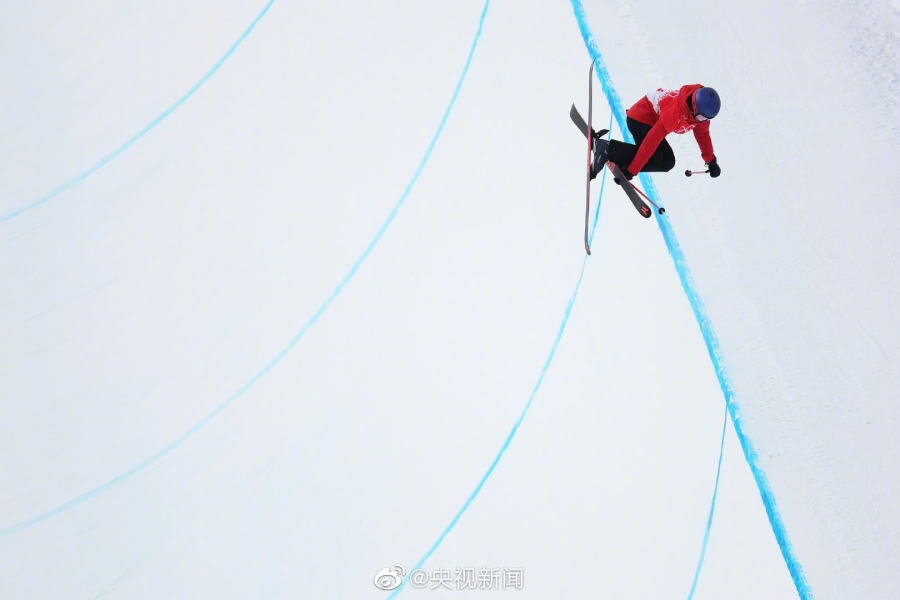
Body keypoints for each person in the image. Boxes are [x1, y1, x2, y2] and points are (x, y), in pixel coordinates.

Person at [591, 85, 721, 181]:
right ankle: (607, 149)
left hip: (651, 123)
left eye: (707, 119)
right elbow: (649, 144)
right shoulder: (675, 114)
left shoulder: (700, 116)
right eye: (702, 117)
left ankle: (620, 156)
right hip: (639, 119)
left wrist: (711, 160)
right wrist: (632, 170)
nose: (703, 121)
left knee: (667, 162)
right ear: (694, 106)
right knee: (656, 158)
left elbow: (703, 135)